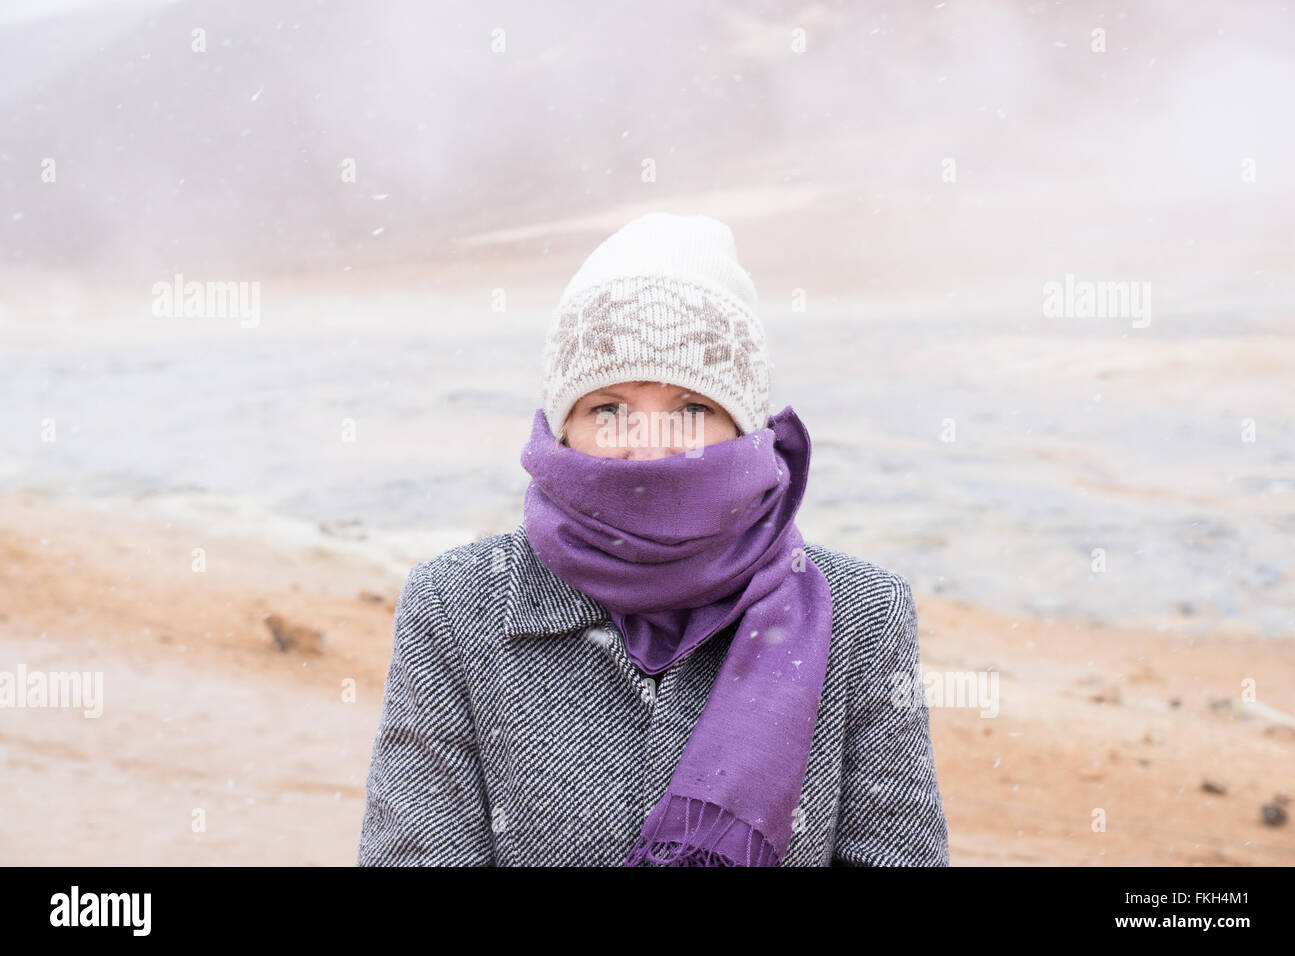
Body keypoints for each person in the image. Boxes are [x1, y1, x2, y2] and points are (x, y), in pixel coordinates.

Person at [357, 212, 949, 866]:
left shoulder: (860, 615)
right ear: (561, 428)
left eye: (693, 408)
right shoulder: (455, 606)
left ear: (746, 428)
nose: (648, 448)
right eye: (607, 408)